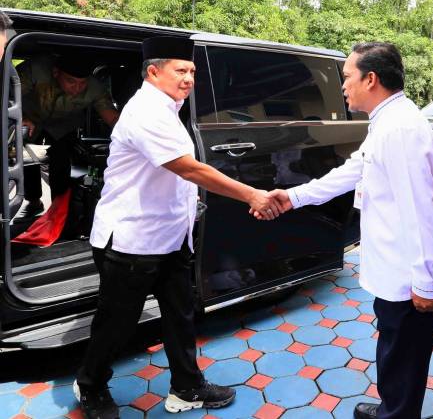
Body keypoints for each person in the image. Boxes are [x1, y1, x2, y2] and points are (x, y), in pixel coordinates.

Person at [74, 36, 281, 419]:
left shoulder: (169, 108)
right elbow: (188, 168)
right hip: (132, 241)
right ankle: (90, 385)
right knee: (118, 324)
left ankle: (187, 387)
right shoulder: (146, 112)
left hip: (171, 237)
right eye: (181, 70)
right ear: (153, 72)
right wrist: (252, 194)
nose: (189, 79)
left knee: (180, 314)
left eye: (193, 72)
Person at [262, 42, 433, 419]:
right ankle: (392, 408)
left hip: (409, 277)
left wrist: (426, 283)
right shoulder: (388, 121)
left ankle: (396, 414)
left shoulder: (399, 128)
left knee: (403, 359)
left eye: (347, 77)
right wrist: (293, 197)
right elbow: (353, 170)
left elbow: (420, 211)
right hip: (396, 270)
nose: (343, 86)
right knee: (395, 352)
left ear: (371, 79)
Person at [16, 53, 120, 219]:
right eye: (71, 81)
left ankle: (58, 209)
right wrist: (21, 117)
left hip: (64, 125)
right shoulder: (34, 70)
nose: (77, 88)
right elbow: (8, 96)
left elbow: (113, 118)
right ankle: (33, 201)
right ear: (56, 73)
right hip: (30, 118)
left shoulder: (95, 88)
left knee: (61, 161)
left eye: (82, 83)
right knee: (26, 159)